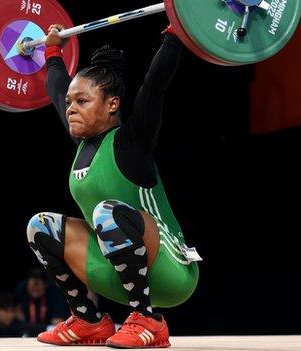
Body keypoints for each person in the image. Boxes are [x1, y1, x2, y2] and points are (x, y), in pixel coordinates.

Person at [24, 23, 201, 348]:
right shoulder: (82, 140)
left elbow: (155, 86)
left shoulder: (131, 142)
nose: (71, 107)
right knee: (40, 226)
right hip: (115, 268)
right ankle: (87, 320)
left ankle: (149, 320)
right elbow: (56, 89)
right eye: (70, 102)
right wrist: (51, 51)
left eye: (82, 100)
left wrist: (177, 33)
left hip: (168, 270)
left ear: (112, 104)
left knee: (107, 213)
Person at [13, 267, 69, 336]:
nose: (35, 290)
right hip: (26, 330)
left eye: (38, 289)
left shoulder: (55, 293)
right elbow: (15, 313)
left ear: (45, 285)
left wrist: (33, 328)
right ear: (27, 285)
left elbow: (57, 322)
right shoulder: (21, 289)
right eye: (32, 288)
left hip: (48, 331)